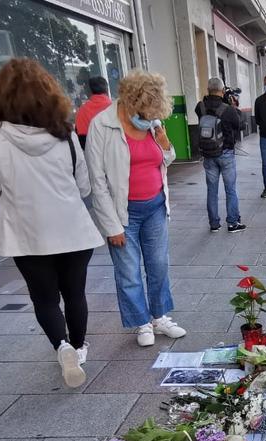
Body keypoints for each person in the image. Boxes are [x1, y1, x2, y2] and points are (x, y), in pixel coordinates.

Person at [0, 59, 104, 388]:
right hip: (73, 229)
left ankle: (61, 345)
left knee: (43, 298)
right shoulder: (65, 133)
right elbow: (84, 185)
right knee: (75, 293)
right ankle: (78, 346)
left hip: (25, 232)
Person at [86, 70, 187, 348]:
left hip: (155, 205)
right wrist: (111, 226)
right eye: (143, 112)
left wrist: (166, 144)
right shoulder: (102, 126)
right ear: (131, 101)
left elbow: (164, 160)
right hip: (123, 213)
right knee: (128, 271)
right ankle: (141, 322)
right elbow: (98, 181)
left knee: (158, 265)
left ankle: (159, 316)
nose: (148, 118)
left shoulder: (152, 122)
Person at [194, 77, 244, 233]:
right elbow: (240, 125)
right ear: (222, 91)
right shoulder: (227, 109)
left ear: (208, 90)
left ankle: (214, 223)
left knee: (211, 190)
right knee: (230, 189)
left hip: (208, 154)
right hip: (226, 153)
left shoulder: (200, 106)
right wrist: (233, 106)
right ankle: (233, 222)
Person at [75, 76, 112, 149]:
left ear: (89, 91)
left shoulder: (82, 111)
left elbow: (81, 140)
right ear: (106, 90)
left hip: (91, 155)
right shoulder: (115, 108)